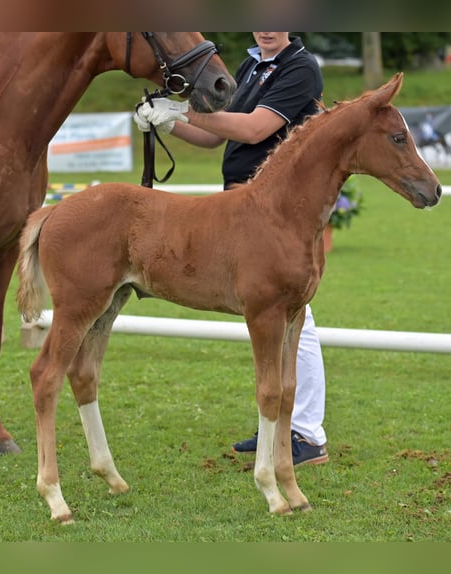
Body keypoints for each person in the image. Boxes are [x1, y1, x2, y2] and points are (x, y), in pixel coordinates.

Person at [133, 32, 328, 466]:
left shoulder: (300, 67)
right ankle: (283, 428)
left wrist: (181, 109)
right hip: (244, 204)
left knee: (296, 318)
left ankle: (305, 433)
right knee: (281, 318)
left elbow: (257, 127)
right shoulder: (251, 66)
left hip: (278, 211)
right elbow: (214, 137)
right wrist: (167, 123)